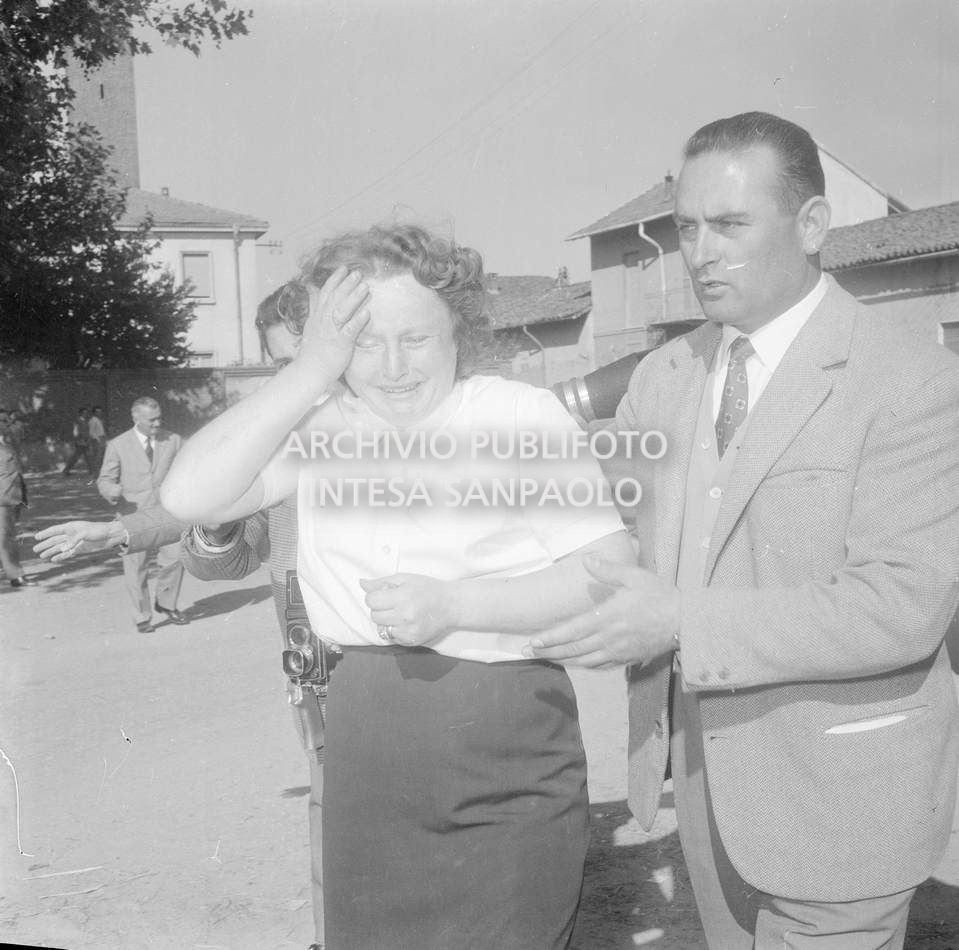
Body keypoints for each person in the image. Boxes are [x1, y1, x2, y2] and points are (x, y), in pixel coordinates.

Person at [528, 111, 959, 949]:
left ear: (811, 225)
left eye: (729, 224)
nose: (700, 252)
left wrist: (677, 622)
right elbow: (590, 520)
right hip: (705, 793)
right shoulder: (667, 373)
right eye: (686, 227)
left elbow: (901, 604)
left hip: (843, 802)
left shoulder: (910, 380)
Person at [160, 224, 635, 950]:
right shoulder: (319, 428)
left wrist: (457, 605)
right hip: (368, 741)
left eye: (415, 339)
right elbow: (188, 496)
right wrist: (309, 372)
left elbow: (607, 570)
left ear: (458, 333)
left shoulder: (516, 415)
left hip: (508, 738)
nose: (391, 367)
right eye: (364, 343)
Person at [34, 284, 339, 950]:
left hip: (397, 639)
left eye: (306, 358)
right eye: (283, 365)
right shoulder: (274, 437)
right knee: (331, 792)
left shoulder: (396, 428)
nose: (297, 379)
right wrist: (143, 529)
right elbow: (229, 558)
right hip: (308, 637)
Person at [98, 397, 188, 633]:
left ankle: (166, 603)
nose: (157, 423)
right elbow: (105, 479)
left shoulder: (174, 440)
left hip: (167, 512)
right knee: (136, 568)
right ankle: (142, 616)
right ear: (135, 418)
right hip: (133, 516)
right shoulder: (118, 445)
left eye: (159, 418)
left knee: (176, 558)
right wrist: (111, 491)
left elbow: (189, 466)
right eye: (151, 420)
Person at [0, 421, 32, 587]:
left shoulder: (6, 447)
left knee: (6, 536)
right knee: (7, 537)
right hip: (3, 499)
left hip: (13, 496)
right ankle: (15, 576)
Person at [61, 406, 92, 475]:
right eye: (84, 413)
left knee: (87, 457)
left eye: (86, 413)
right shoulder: (78, 421)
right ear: (80, 413)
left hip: (86, 441)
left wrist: (87, 439)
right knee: (76, 457)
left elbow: (87, 431)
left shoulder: (85, 421)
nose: (85, 414)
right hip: (81, 442)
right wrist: (79, 439)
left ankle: (91, 471)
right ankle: (66, 470)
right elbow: (75, 432)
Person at [88, 405, 107, 472]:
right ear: (94, 413)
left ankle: (100, 470)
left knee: (102, 455)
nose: (99, 413)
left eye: (100, 412)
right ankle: (96, 471)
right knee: (97, 456)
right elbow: (91, 432)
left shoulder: (99, 420)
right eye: (97, 412)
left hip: (102, 439)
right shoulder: (93, 420)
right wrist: (98, 439)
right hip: (97, 440)